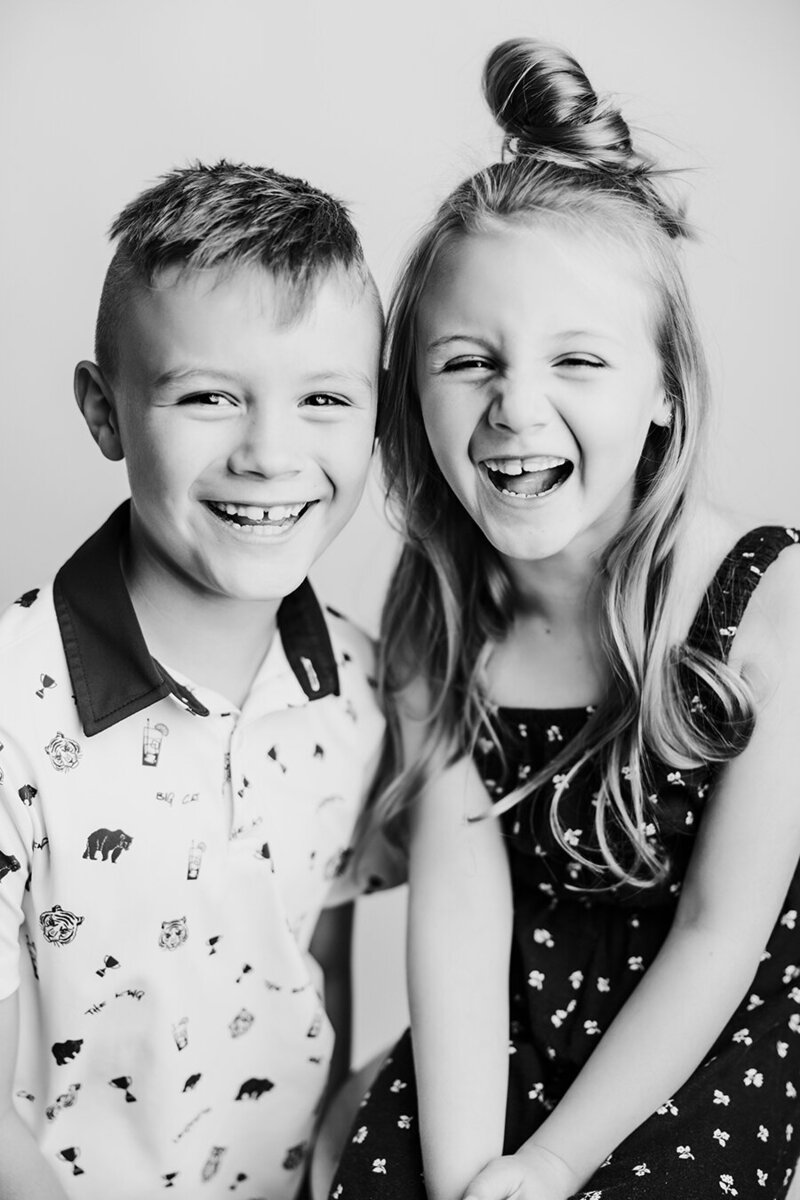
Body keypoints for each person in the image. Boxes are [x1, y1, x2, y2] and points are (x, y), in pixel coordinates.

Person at [323, 38, 800, 1200]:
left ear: (663, 393)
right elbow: (458, 910)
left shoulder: (763, 604)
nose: (515, 409)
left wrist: (543, 1169)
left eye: (577, 360)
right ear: (409, 393)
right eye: (467, 361)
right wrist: (463, 1176)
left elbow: (714, 933)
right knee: (379, 1174)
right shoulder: (442, 607)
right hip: (512, 1016)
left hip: (704, 1030)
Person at [0, 160, 393, 1199]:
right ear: (104, 412)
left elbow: (319, 965)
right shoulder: (9, 714)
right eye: (209, 395)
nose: (269, 454)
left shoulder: (363, 689)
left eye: (321, 398)